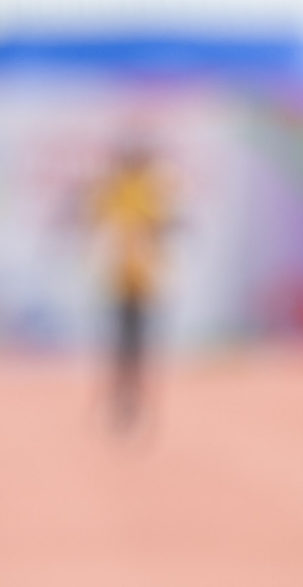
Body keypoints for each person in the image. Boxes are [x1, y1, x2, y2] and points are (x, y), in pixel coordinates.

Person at [85, 141, 172, 433]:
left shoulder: (147, 189)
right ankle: (125, 403)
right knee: (125, 348)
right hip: (125, 279)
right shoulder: (123, 189)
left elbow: (164, 225)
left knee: (136, 349)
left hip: (142, 281)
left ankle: (133, 404)